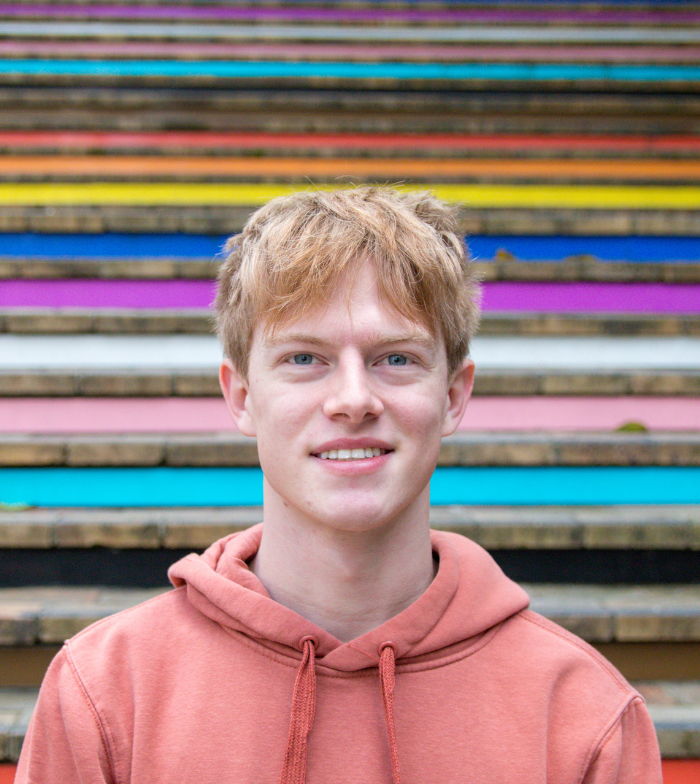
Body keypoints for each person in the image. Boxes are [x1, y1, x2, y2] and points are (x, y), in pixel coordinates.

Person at [17, 187, 661, 783]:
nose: (354, 399)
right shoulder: (103, 689)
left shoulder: (584, 712)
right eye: (305, 358)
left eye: (396, 358)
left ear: (454, 395)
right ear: (241, 395)